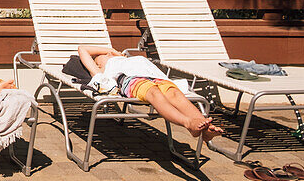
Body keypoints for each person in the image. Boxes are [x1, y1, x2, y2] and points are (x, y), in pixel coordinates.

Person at [77, 45, 223, 142]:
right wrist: (111, 50)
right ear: (98, 65)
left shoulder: (127, 59)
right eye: (103, 56)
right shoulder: (103, 70)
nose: (107, 54)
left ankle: (203, 128)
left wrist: (113, 53)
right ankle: (188, 123)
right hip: (132, 80)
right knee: (154, 94)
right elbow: (82, 49)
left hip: (157, 77)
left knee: (175, 94)